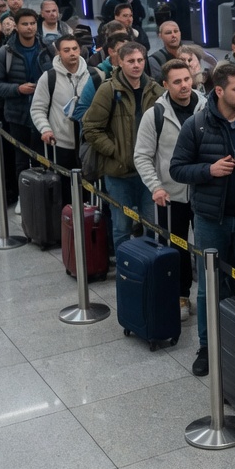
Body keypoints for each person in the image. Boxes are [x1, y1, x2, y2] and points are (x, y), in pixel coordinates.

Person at [170, 63, 235, 377]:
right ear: (219, 91)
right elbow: (177, 169)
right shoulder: (197, 125)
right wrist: (208, 171)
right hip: (211, 220)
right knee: (209, 289)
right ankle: (207, 347)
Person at [134, 59, 206, 322]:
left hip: (205, 193)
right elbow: (142, 156)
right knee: (176, 249)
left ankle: (210, 297)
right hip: (171, 196)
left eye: (187, 79)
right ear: (165, 85)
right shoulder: (155, 115)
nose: (185, 85)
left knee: (209, 248)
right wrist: (156, 187)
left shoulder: (207, 107)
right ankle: (181, 295)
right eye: (177, 81)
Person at [82, 41, 163, 250]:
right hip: (118, 173)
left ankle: (149, 267)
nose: (136, 65)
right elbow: (90, 127)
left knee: (152, 225)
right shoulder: (108, 90)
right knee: (121, 226)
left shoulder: (155, 90)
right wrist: (115, 151)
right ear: (120, 62)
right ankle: (125, 269)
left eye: (140, 60)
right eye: (131, 61)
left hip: (148, 172)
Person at [0, 8, 54, 200]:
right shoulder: (6, 52)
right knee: (21, 159)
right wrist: (17, 89)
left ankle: (45, 196)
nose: (29, 27)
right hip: (18, 114)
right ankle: (23, 198)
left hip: (45, 113)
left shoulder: (47, 49)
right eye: (25, 24)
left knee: (44, 157)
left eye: (32, 23)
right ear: (16, 26)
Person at [30, 35, 95, 205]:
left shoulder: (92, 75)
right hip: (60, 145)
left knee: (88, 192)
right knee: (64, 192)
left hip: (87, 145)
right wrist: (45, 129)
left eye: (75, 49)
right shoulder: (49, 77)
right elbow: (38, 108)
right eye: (66, 50)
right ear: (58, 53)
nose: (72, 53)